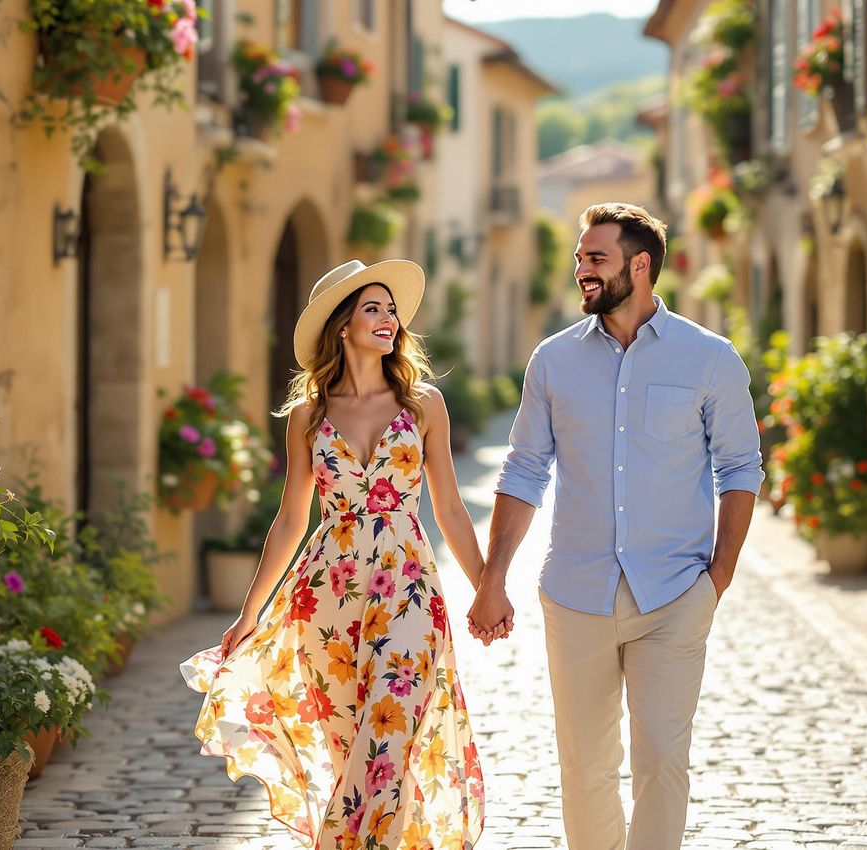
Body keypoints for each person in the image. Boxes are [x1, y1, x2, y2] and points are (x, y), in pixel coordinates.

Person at [468, 203, 764, 850]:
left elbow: (740, 466)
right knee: (585, 769)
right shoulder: (553, 361)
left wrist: (718, 577)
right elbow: (523, 471)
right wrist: (493, 581)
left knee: (661, 759)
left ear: (641, 265)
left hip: (674, 595)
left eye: (595, 259)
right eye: (579, 259)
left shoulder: (709, 359)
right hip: (576, 594)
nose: (582, 271)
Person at [182, 259, 489, 850]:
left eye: (391, 309)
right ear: (343, 326)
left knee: (389, 742)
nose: (389, 319)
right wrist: (250, 613)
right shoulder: (308, 417)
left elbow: (450, 508)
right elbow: (292, 519)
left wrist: (486, 587)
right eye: (372, 308)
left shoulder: (424, 405)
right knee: (351, 753)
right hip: (325, 598)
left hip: (409, 590)